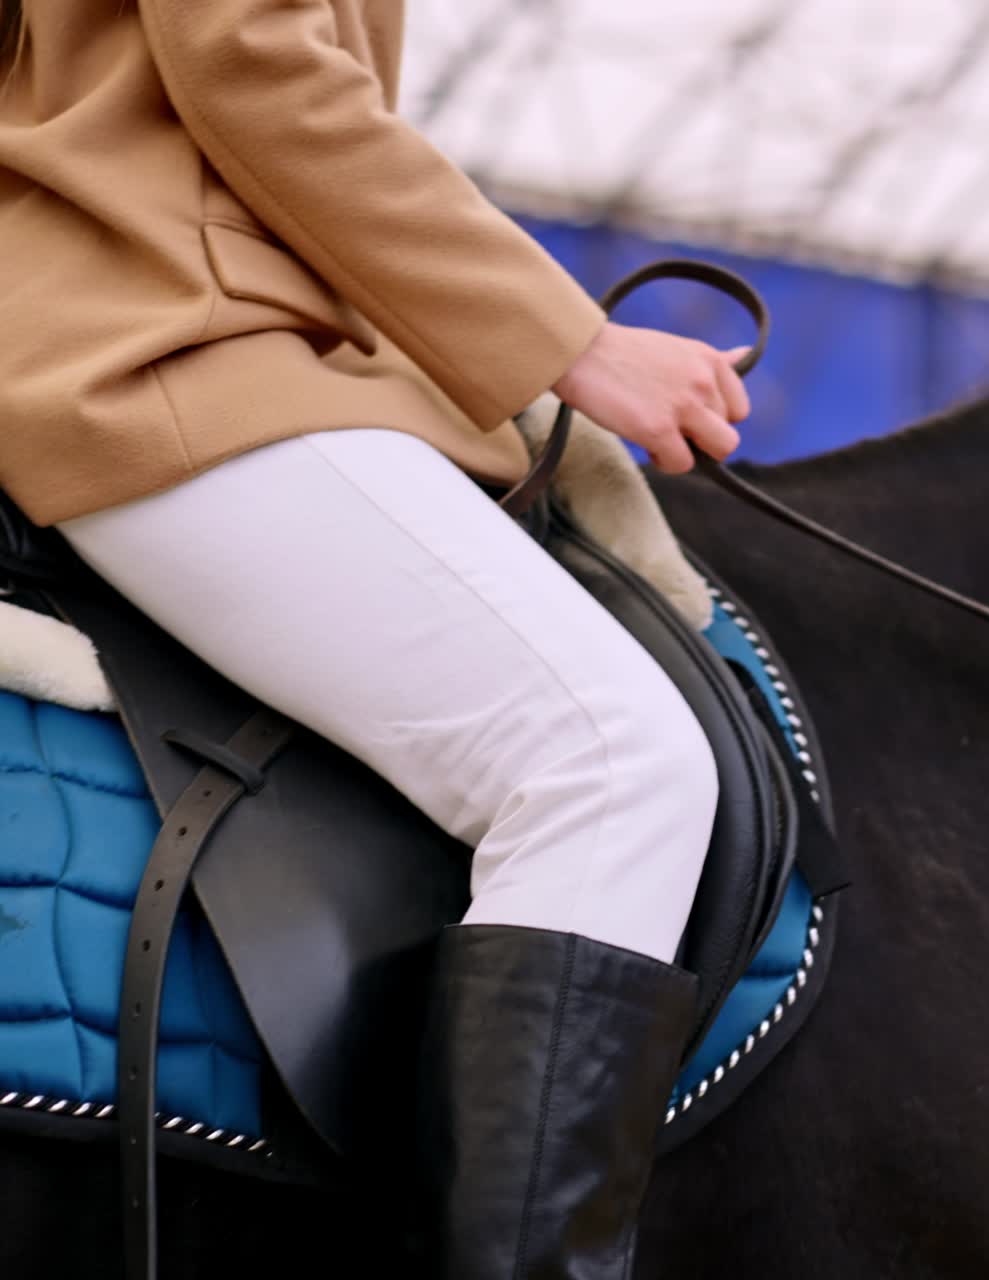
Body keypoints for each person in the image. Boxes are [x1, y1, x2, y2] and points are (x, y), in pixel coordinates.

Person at [0, 2, 749, 1276]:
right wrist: (573, 339)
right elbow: (251, 60)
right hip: (167, 342)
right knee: (613, 768)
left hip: (149, 320)